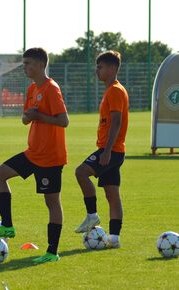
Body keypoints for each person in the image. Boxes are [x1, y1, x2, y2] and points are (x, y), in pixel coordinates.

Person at [0, 47, 69, 264]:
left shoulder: (51, 88)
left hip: (50, 157)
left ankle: (52, 252)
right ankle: (8, 225)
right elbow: (25, 118)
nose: (24, 67)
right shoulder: (32, 89)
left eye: (28, 63)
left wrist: (38, 115)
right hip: (33, 153)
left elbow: (63, 120)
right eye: (23, 63)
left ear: (41, 65)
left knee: (52, 202)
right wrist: (29, 116)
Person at [74, 50, 129, 249]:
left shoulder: (115, 90)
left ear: (113, 68)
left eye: (100, 67)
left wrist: (106, 151)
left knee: (81, 172)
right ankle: (114, 239)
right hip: (114, 150)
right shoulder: (112, 90)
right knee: (112, 194)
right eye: (97, 67)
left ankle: (92, 216)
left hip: (111, 150)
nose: (97, 71)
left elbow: (116, 122)